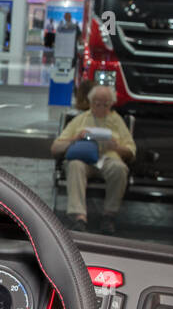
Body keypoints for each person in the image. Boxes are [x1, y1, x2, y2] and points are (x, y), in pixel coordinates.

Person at [51, 84, 134, 234]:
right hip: (84, 159)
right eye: (97, 104)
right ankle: (79, 216)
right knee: (75, 165)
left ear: (111, 104)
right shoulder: (81, 120)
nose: (101, 107)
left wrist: (116, 147)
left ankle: (109, 215)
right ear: (91, 102)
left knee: (119, 169)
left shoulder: (117, 121)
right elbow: (56, 147)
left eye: (105, 104)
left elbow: (131, 151)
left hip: (109, 159)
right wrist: (75, 139)